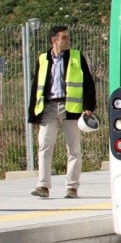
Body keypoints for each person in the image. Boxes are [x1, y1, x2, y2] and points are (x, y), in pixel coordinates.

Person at [27, 25, 97, 199]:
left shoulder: (76, 57)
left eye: (67, 36)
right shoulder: (43, 58)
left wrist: (88, 107)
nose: (68, 39)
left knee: (73, 149)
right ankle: (43, 186)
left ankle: (72, 187)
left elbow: (88, 83)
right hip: (49, 108)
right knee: (44, 146)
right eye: (64, 37)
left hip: (70, 109)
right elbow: (36, 86)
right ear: (54, 40)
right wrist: (33, 114)